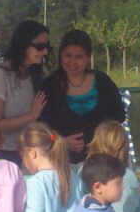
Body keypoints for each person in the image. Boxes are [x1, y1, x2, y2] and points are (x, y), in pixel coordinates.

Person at [42, 29, 126, 162]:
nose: (72, 62)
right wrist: (61, 141)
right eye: (68, 55)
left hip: (102, 159)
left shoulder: (103, 81)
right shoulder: (50, 86)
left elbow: (119, 115)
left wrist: (101, 138)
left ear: (88, 57)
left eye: (79, 57)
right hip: (62, 162)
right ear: (60, 55)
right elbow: (42, 128)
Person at [0, 19, 50, 160]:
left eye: (47, 46)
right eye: (40, 46)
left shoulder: (38, 74)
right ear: (23, 45)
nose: (45, 51)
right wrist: (30, 116)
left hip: (25, 153)